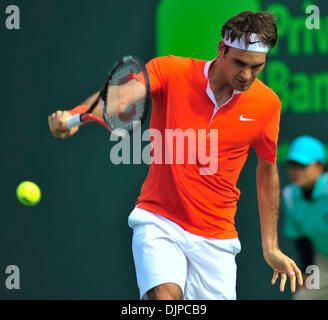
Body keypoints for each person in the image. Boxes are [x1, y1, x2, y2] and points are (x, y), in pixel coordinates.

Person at [48, 11, 303, 300]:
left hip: (217, 235)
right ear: (221, 50)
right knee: (163, 297)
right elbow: (119, 98)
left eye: (257, 67)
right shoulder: (171, 70)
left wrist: (270, 246)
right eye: (239, 63)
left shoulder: (268, 104)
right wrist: (74, 115)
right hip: (160, 219)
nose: (247, 75)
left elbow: (267, 170)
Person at [282, 135, 328, 300]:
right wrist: (308, 271)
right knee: (304, 298)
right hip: (324, 261)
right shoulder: (289, 196)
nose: (296, 171)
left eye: (302, 165)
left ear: (320, 166)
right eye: (293, 165)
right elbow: (301, 238)